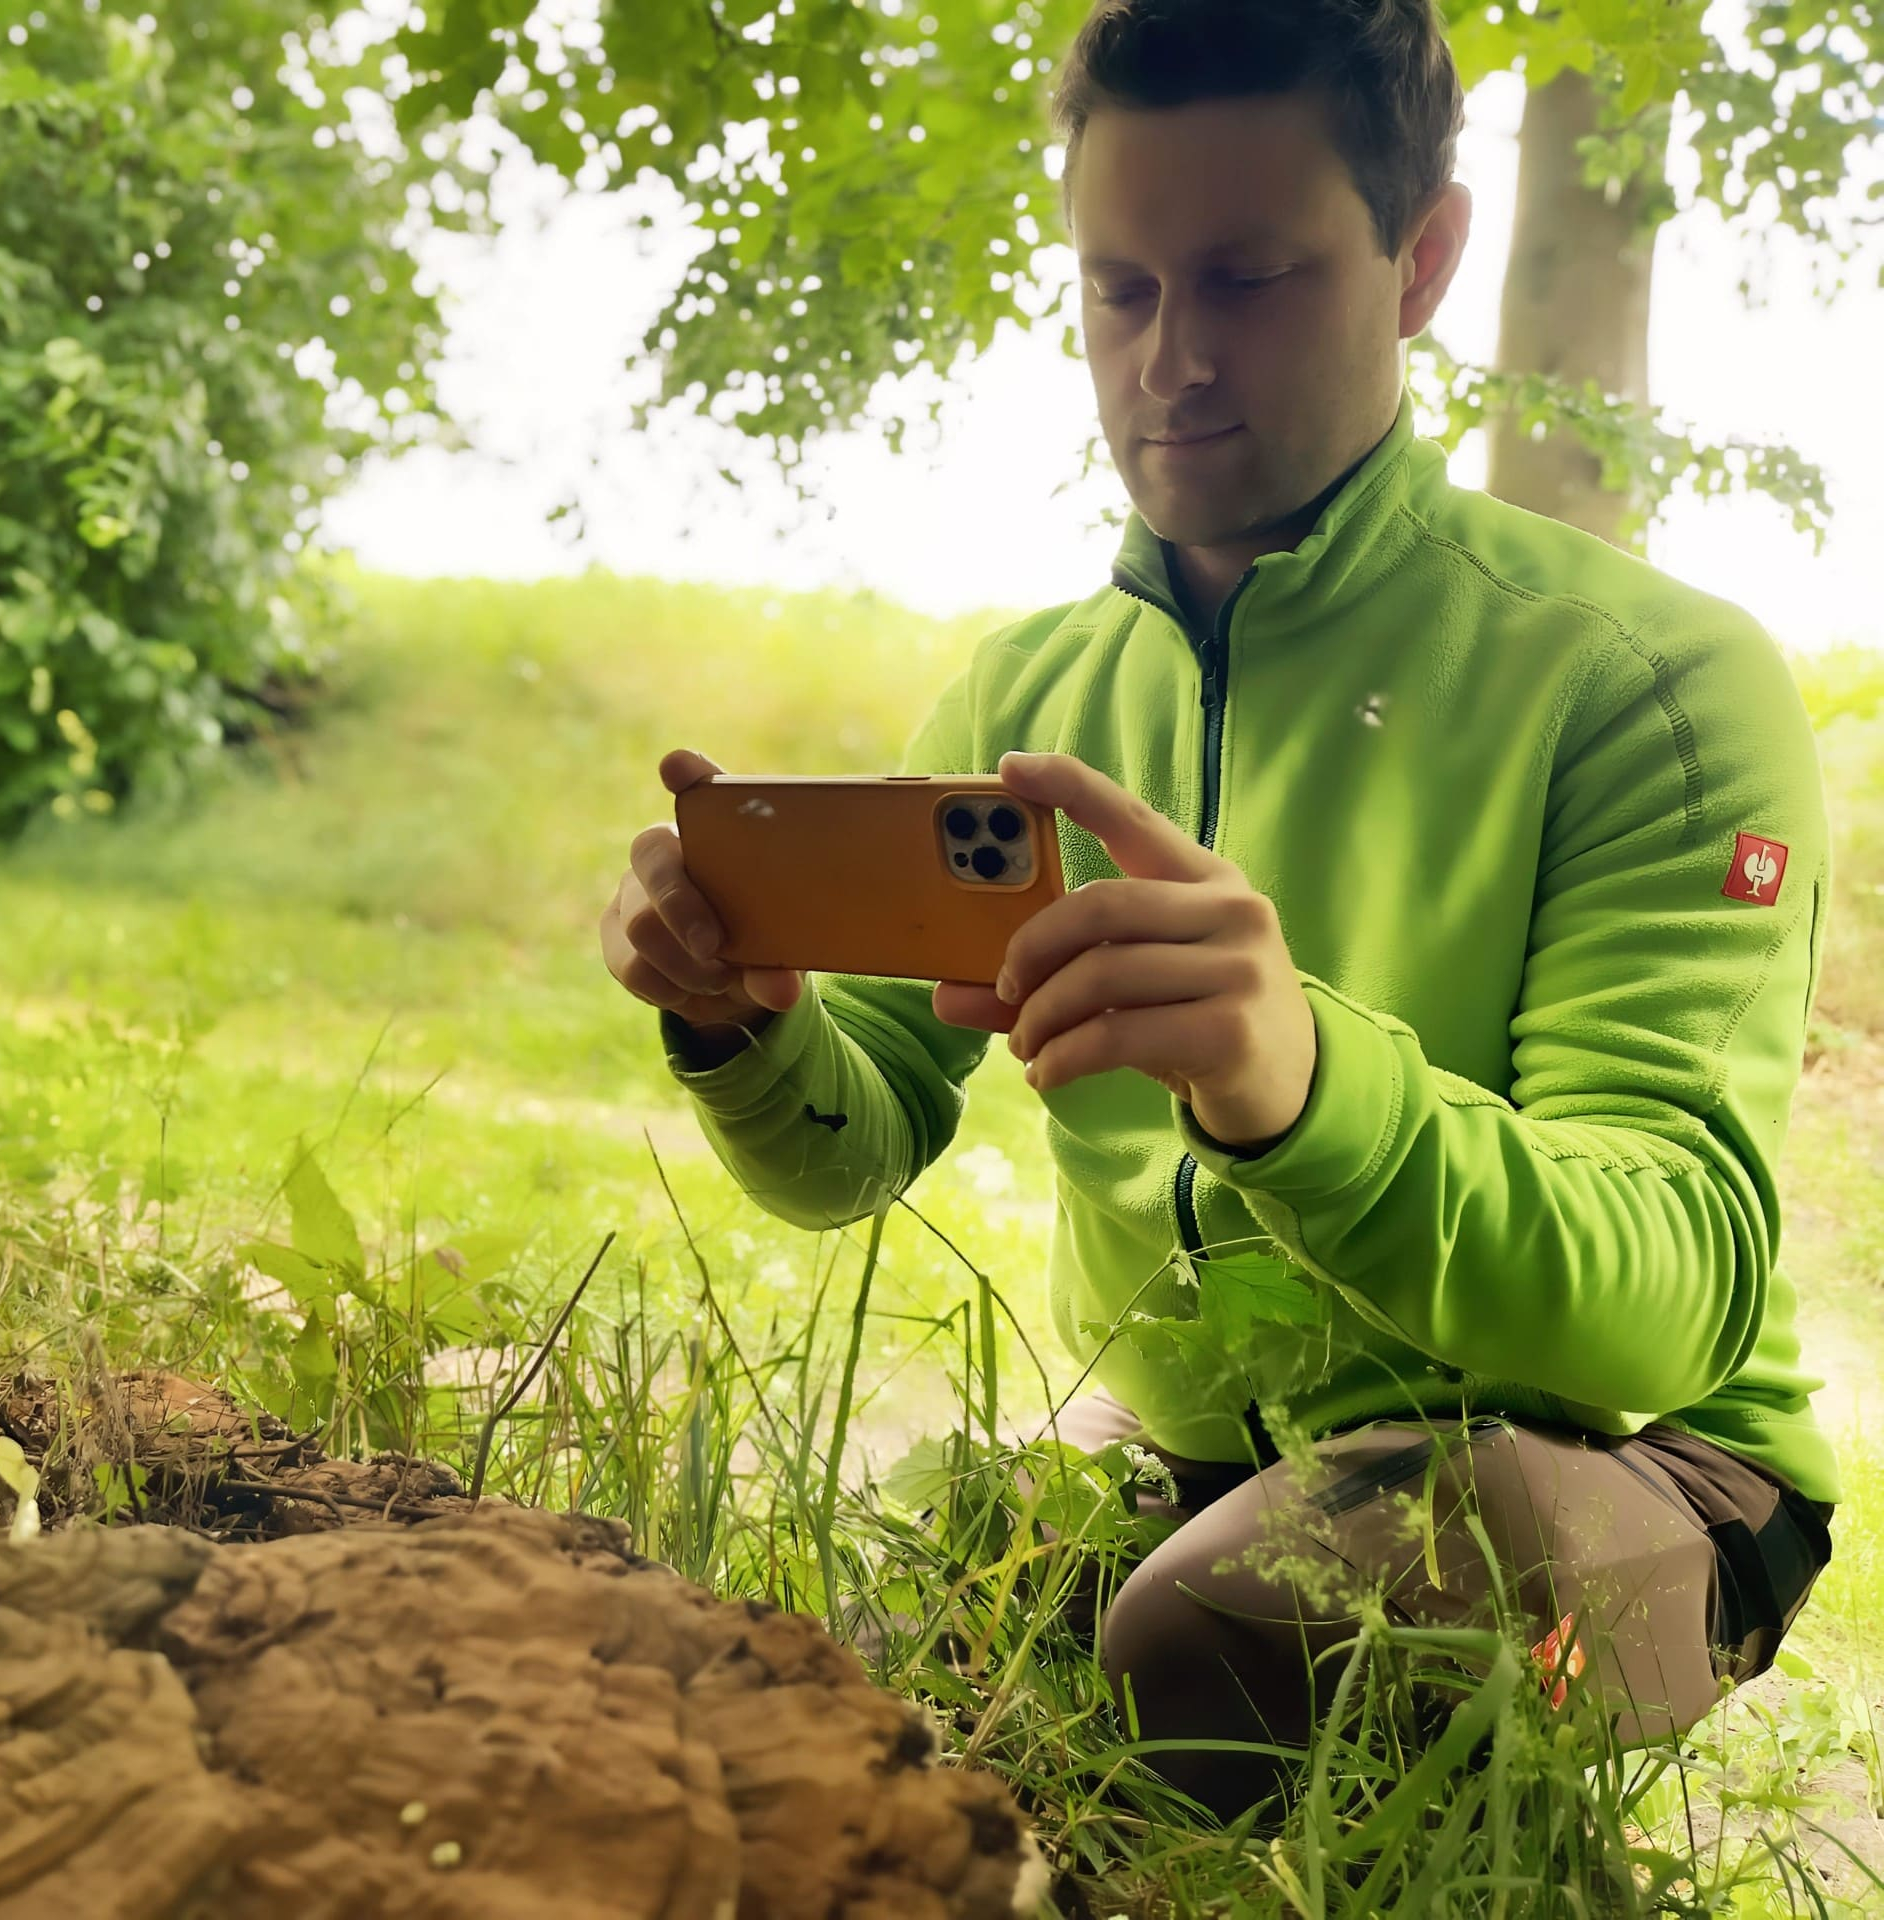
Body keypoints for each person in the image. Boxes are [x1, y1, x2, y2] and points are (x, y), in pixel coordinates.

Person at [597, 0, 1837, 1820]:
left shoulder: (1648, 684)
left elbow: (1662, 1311)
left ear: (1423, 258)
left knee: (1231, 1644)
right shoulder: (1023, 699)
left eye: (1248, 278)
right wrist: (743, 1018)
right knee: (834, 1698)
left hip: (1631, 1464)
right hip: (1179, 1446)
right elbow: (843, 1156)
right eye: (1121, 290)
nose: (1170, 360)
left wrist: (1308, 1087)